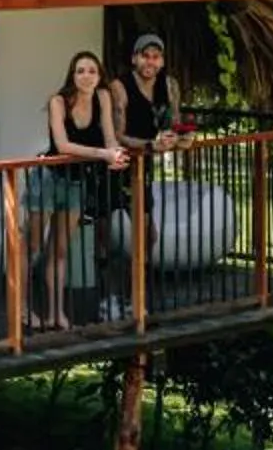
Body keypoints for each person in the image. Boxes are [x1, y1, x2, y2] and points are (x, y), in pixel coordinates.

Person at [31, 50, 126, 332]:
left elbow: (109, 136)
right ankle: (22, 309)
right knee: (33, 246)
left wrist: (116, 153)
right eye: (80, 71)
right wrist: (102, 154)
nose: (86, 76)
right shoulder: (58, 102)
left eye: (92, 71)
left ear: (99, 76)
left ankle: (55, 313)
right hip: (47, 178)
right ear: (72, 75)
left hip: (76, 181)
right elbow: (63, 146)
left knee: (59, 250)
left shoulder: (103, 98)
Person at [106, 33, 184, 312]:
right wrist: (150, 144)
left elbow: (174, 122)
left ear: (161, 61)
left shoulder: (169, 85)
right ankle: (110, 297)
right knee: (108, 235)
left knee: (148, 234)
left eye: (156, 56)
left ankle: (131, 296)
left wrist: (176, 138)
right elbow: (117, 134)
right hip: (115, 164)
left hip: (143, 166)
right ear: (134, 59)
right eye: (145, 56)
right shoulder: (120, 87)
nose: (150, 61)